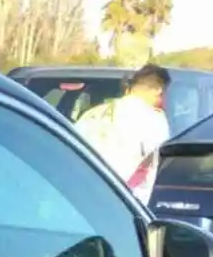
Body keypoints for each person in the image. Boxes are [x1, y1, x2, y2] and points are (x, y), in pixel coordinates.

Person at [74, 64, 172, 194]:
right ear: (158, 90)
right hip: (121, 201)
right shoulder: (155, 120)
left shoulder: (93, 114)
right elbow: (159, 164)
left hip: (78, 193)